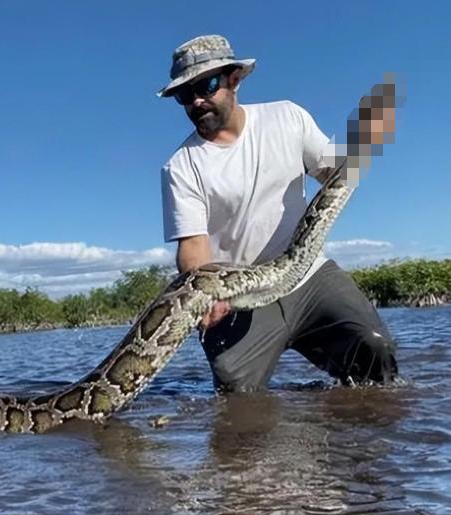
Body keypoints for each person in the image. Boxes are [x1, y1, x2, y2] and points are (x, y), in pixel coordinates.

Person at [157, 35, 398, 393]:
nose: (196, 100)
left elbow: (333, 171)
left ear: (234, 79)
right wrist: (208, 294)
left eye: (206, 85)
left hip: (309, 276)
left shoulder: (287, 117)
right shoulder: (179, 167)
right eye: (184, 94)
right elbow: (193, 246)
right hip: (239, 295)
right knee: (235, 391)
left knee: (374, 349)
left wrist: (362, 143)